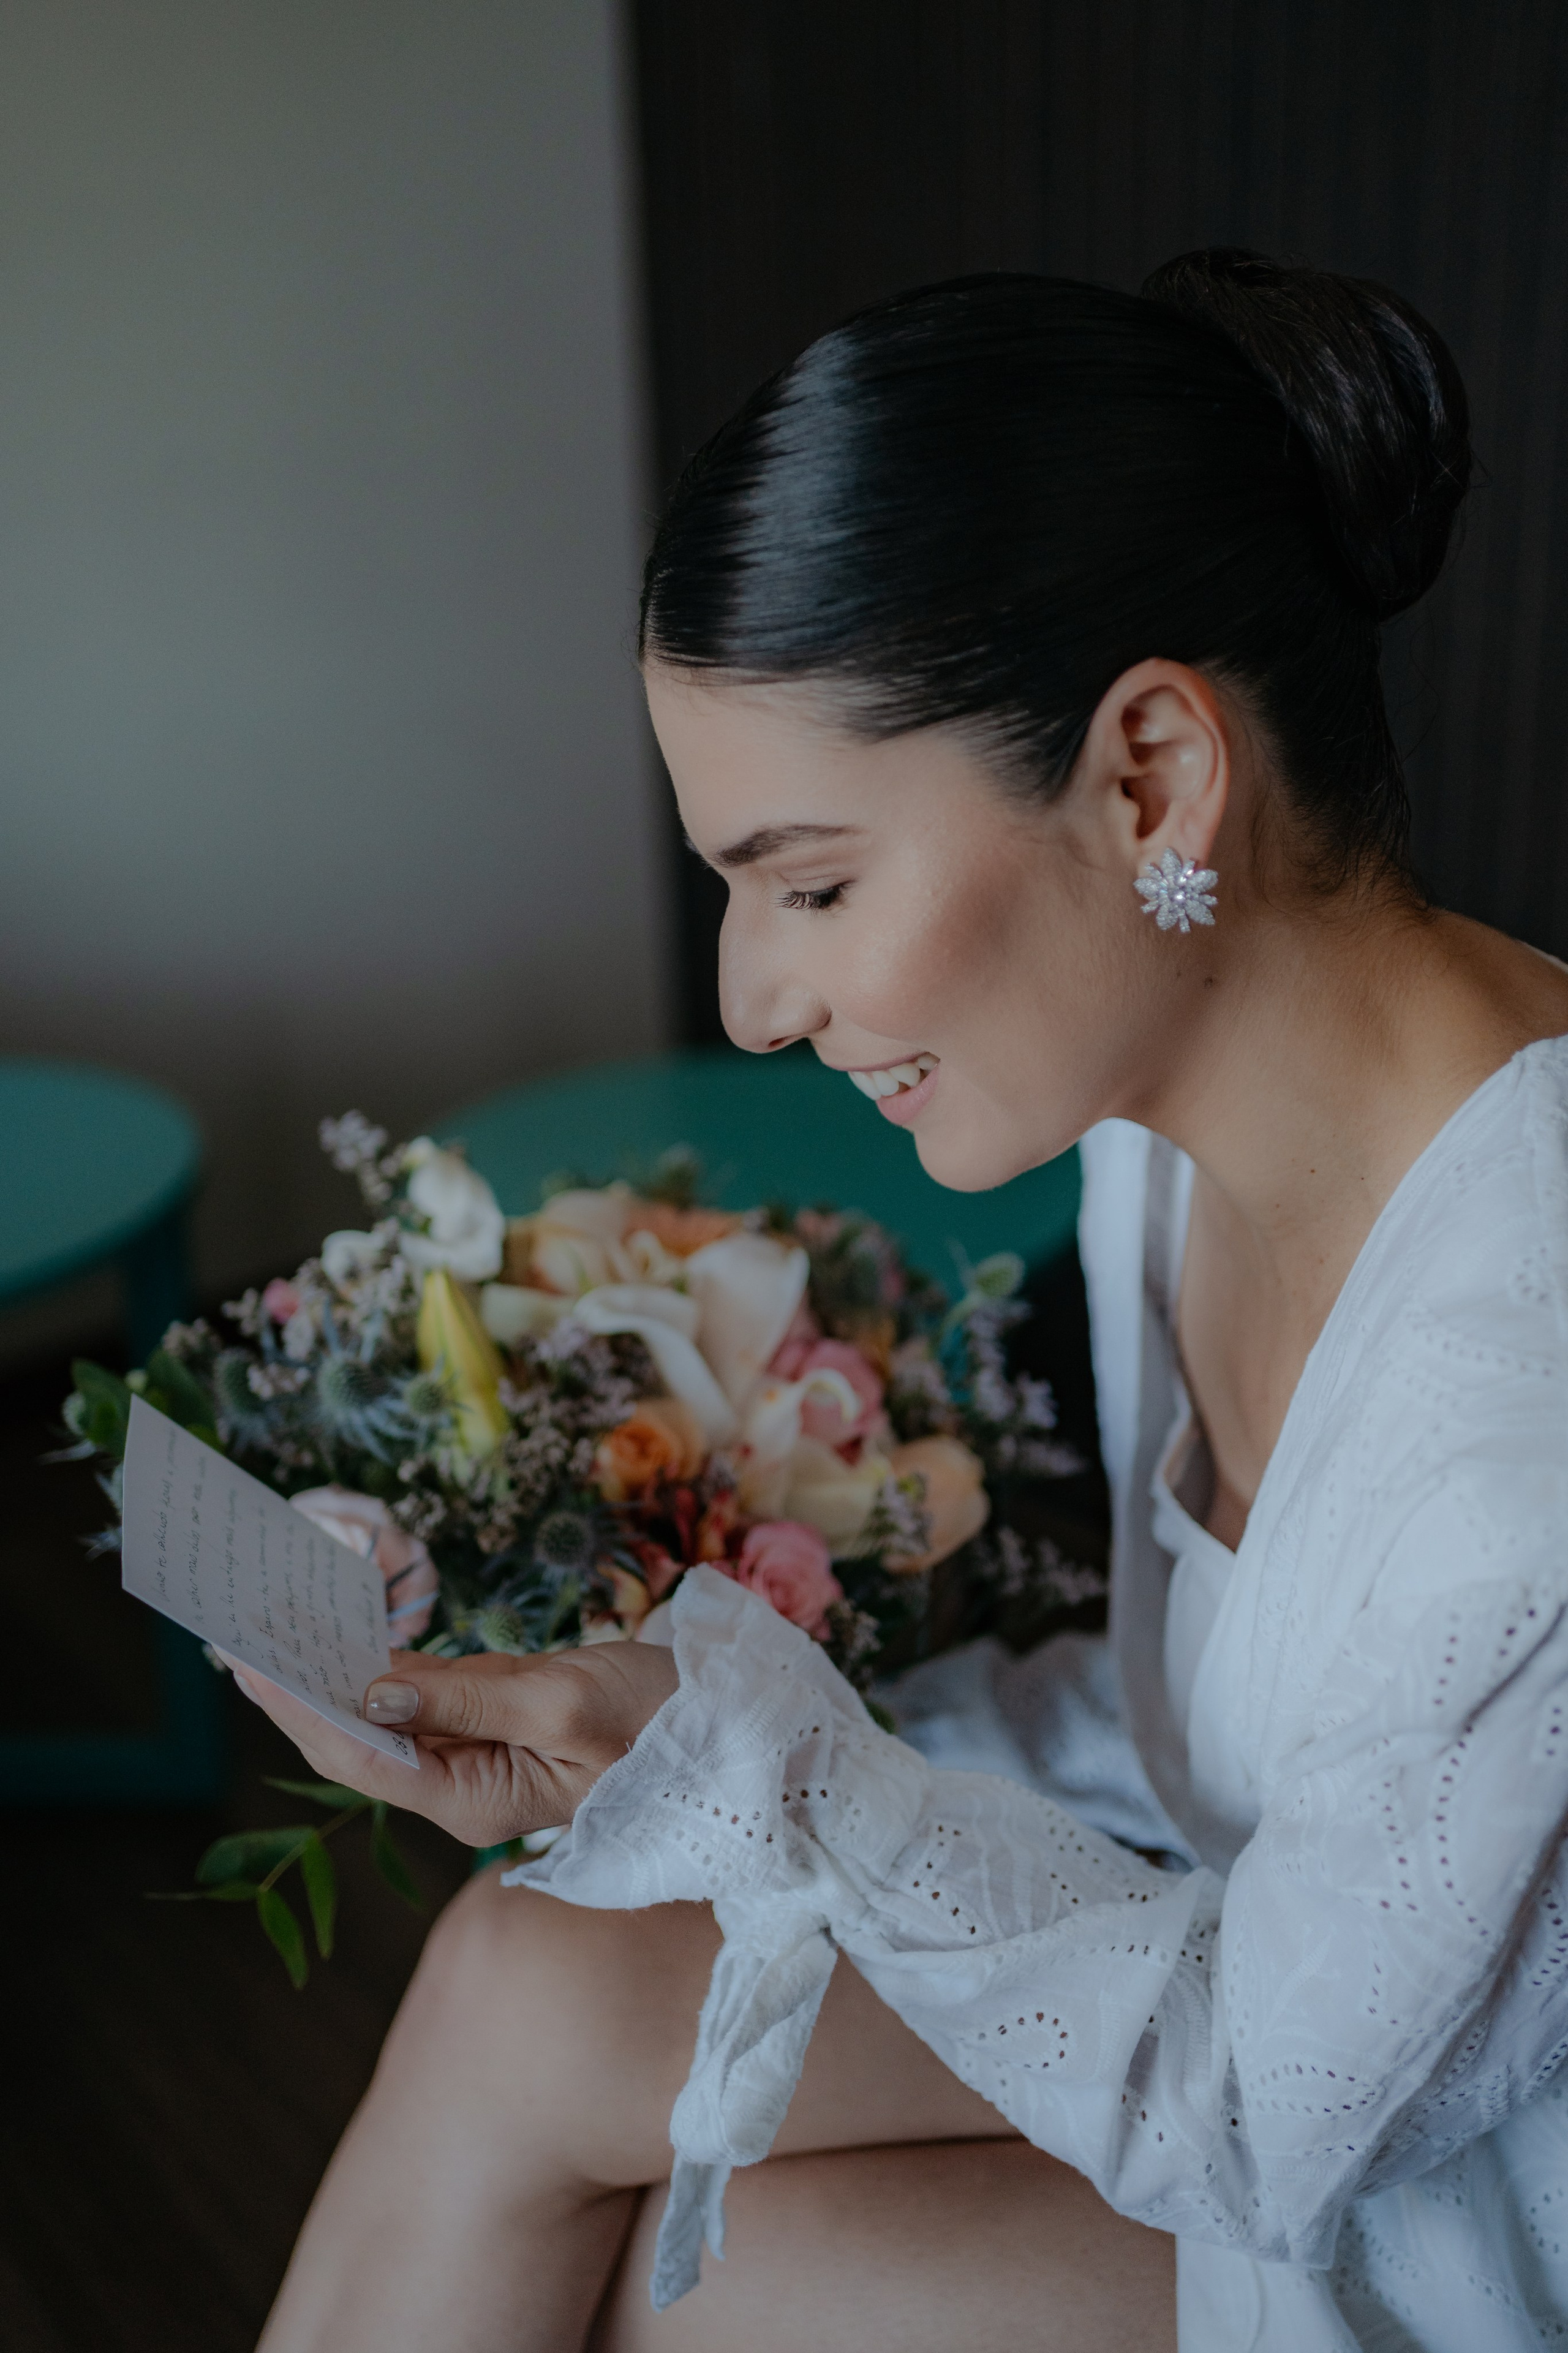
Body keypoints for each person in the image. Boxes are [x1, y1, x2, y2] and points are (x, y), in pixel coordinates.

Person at [246, 254, 1568, 2352]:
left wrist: (758, 1767)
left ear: (1149, 772)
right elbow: (1209, 1754)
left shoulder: (1523, 1448)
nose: (756, 1000)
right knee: (526, 1978)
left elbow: (1258, 2114)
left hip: (1406, 2211)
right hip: (1250, 1992)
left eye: (816, 883)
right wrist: (645, 1714)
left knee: (684, 2282)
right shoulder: (1163, 1131)